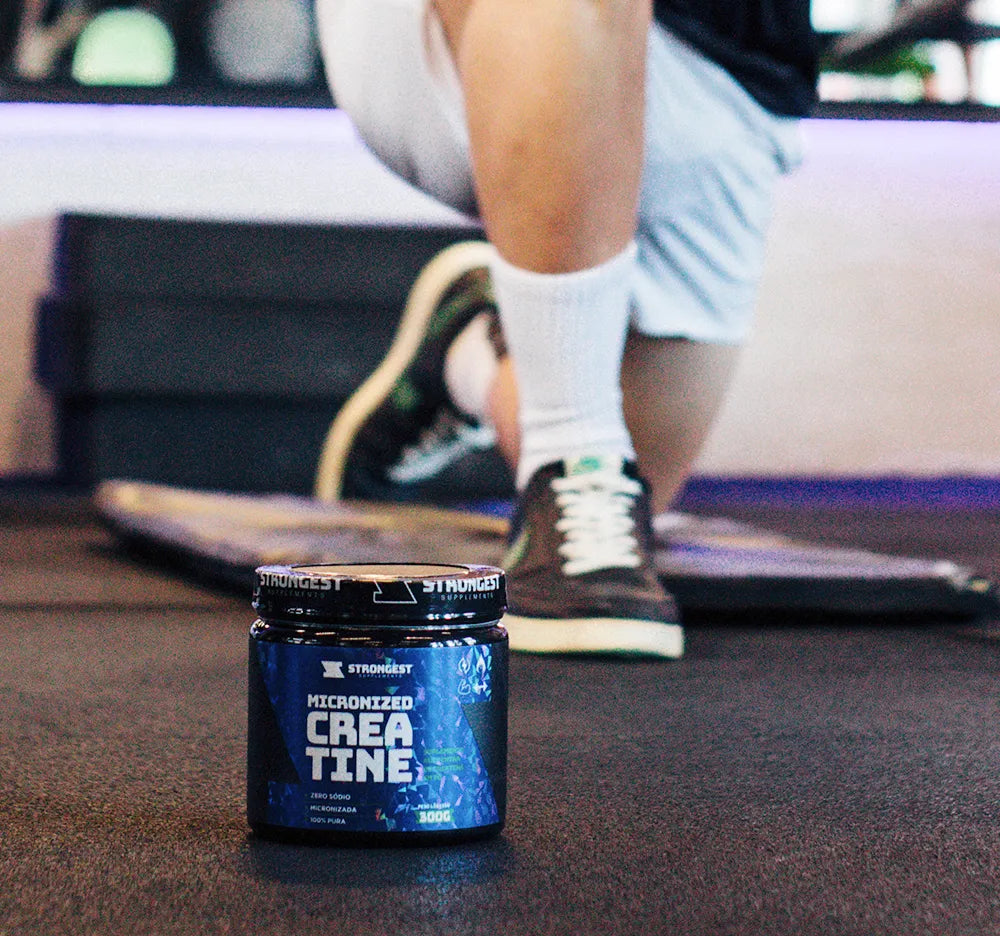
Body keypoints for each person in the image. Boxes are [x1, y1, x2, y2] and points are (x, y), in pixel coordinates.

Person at [312, 0, 818, 658]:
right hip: (454, 30)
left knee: (631, 489)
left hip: (731, 74)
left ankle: (469, 351)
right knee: (581, 464)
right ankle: (572, 444)